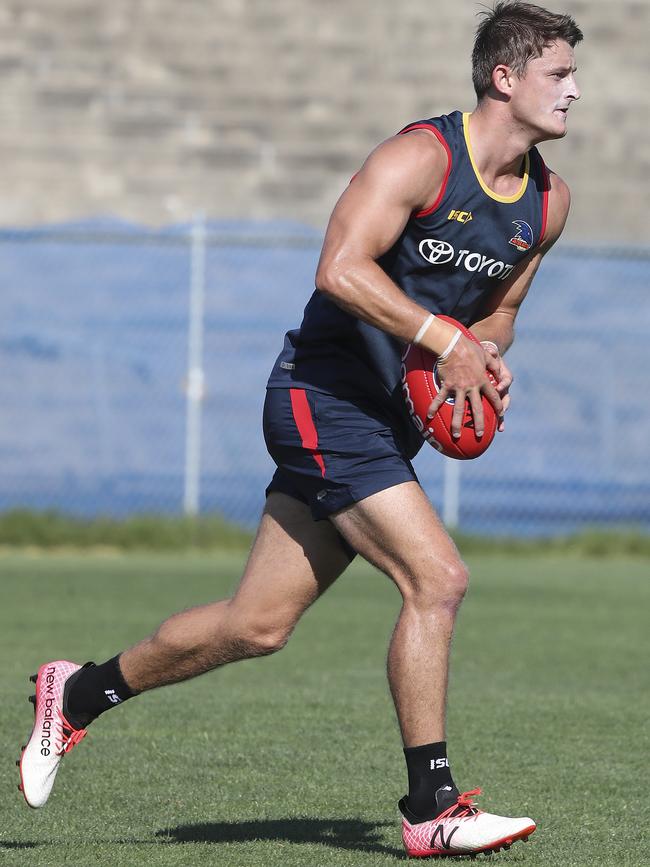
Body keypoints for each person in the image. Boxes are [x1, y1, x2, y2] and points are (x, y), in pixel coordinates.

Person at [19, 1, 582, 858]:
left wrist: (488, 354)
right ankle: (431, 805)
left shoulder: (546, 202)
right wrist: (445, 340)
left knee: (257, 624)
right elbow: (340, 268)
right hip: (322, 394)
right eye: (559, 74)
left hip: (387, 424)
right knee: (438, 579)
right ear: (504, 79)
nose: (575, 92)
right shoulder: (420, 157)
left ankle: (81, 692)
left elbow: (501, 310)